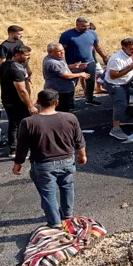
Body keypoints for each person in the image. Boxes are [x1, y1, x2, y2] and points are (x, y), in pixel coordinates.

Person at [14, 90, 87, 228]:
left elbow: (22, 146)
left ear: (38, 102)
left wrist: (18, 163)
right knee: (67, 187)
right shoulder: (70, 118)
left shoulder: (28, 122)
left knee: (48, 194)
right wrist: (82, 155)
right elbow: (79, 140)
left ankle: (55, 223)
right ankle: (67, 215)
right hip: (67, 160)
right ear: (56, 103)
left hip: (43, 164)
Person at [59, 17, 108, 107]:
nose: (86, 28)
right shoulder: (66, 35)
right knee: (72, 83)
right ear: (77, 25)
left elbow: (97, 46)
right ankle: (69, 101)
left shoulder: (92, 33)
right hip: (74, 65)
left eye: (88, 26)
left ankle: (89, 99)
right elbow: (62, 50)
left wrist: (104, 57)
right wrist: (64, 64)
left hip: (89, 62)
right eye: (83, 26)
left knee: (90, 81)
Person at [106, 38, 133, 140]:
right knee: (121, 105)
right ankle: (115, 129)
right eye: (132, 49)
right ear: (124, 48)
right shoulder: (116, 59)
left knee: (131, 97)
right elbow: (113, 76)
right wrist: (131, 67)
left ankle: (123, 119)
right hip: (115, 85)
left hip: (126, 83)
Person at [0, 45, 37, 158]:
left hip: (7, 99)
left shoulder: (5, 64)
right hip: (18, 102)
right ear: (17, 54)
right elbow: (21, 90)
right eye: (26, 55)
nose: (28, 57)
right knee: (22, 125)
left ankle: (13, 149)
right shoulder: (16, 70)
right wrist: (30, 105)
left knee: (13, 124)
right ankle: (19, 150)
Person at [43, 43, 89, 113]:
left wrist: (73, 66)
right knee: (62, 111)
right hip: (60, 91)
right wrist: (80, 74)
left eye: (63, 50)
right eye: (59, 51)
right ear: (51, 53)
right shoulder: (53, 62)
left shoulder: (56, 58)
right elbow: (66, 75)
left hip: (63, 90)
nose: (62, 52)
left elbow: (60, 68)